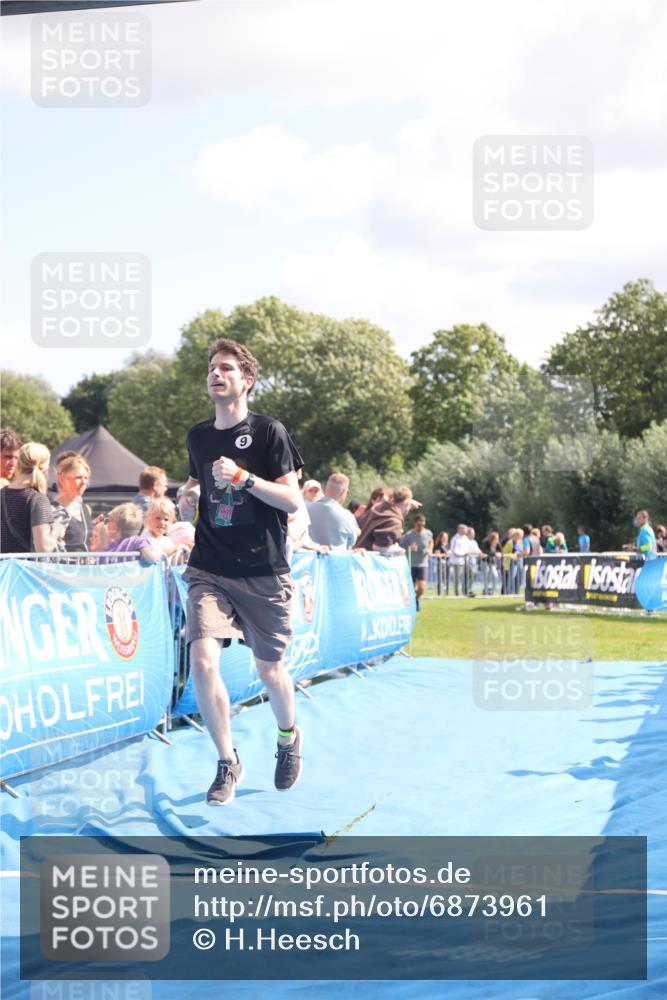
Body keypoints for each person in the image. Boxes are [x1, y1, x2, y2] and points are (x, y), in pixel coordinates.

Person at [178, 337, 304, 807]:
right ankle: (227, 760)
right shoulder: (198, 437)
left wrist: (245, 480)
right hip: (209, 566)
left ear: (246, 381)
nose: (216, 374)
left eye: (226, 368)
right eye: (212, 367)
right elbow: (193, 480)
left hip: (264, 569)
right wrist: (187, 495)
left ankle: (289, 738)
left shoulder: (270, 432)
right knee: (204, 660)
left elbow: (293, 500)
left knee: (270, 670)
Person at [0, 442, 55, 553]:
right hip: (24, 569)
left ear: (18, 465)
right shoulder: (37, 499)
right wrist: (57, 532)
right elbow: (43, 549)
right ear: (45, 470)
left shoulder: (1, 494)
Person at [356, 485, 421, 551]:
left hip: (357, 555)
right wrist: (398, 550)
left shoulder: (377, 508)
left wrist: (407, 500)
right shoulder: (394, 521)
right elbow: (378, 547)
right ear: (407, 504)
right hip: (370, 559)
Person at [306, 472, 360, 551]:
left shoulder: (306, 509)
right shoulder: (348, 516)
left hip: (309, 561)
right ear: (343, 491)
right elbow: (351, 542)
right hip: (337, 562)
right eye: (347, 492)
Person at [52, 453, 94, 552]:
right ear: (63, 480)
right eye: (78, 478)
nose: (84, 482)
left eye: (86, 478)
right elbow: (53, 548)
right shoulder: (54, 510)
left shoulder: (86, 509)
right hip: (65, 566)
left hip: (88, 566)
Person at [400, 513, 433, 610]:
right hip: (411, 563)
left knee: (421, 588)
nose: (421, 527)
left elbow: (431, 541)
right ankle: (411, 604)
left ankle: (416, 599)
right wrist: (410, 548)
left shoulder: (428, 533)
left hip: (423, 563)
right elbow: (402, 547)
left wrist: (430, 549)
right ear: (415, 524)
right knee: (411, 587)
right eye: (419, 525)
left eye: (423, 525)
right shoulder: (409, 535)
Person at [449, 523, 471, 596]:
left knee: (470, 574)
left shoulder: (465, 538)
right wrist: (463, 554)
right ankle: (457, 593)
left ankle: (466, 590)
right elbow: (454, 551)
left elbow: (468, 548)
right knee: (457, 578)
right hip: (457, 561)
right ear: (460, 530)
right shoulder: (455, 539)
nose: (466, 531)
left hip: (465, 561)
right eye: (465, 529)